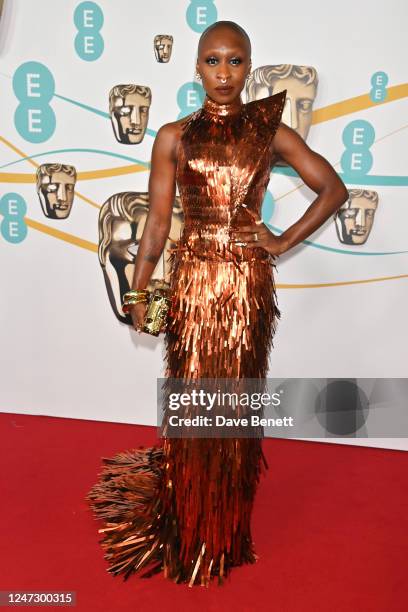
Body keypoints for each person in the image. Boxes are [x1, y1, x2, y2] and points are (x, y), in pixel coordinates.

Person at [86, 20, 349, 588]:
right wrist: (139, 286)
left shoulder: (268, 131)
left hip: (246, 288)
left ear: (249, 67)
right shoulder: (173, 136)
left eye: (234, 61)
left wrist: (279, 241)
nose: (223, 73)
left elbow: (333, 188)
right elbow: (157, 222)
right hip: (193, 286)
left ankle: (226, 531)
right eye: (212, 61)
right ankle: (188, 522)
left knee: (232, 413)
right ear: (197, 67)